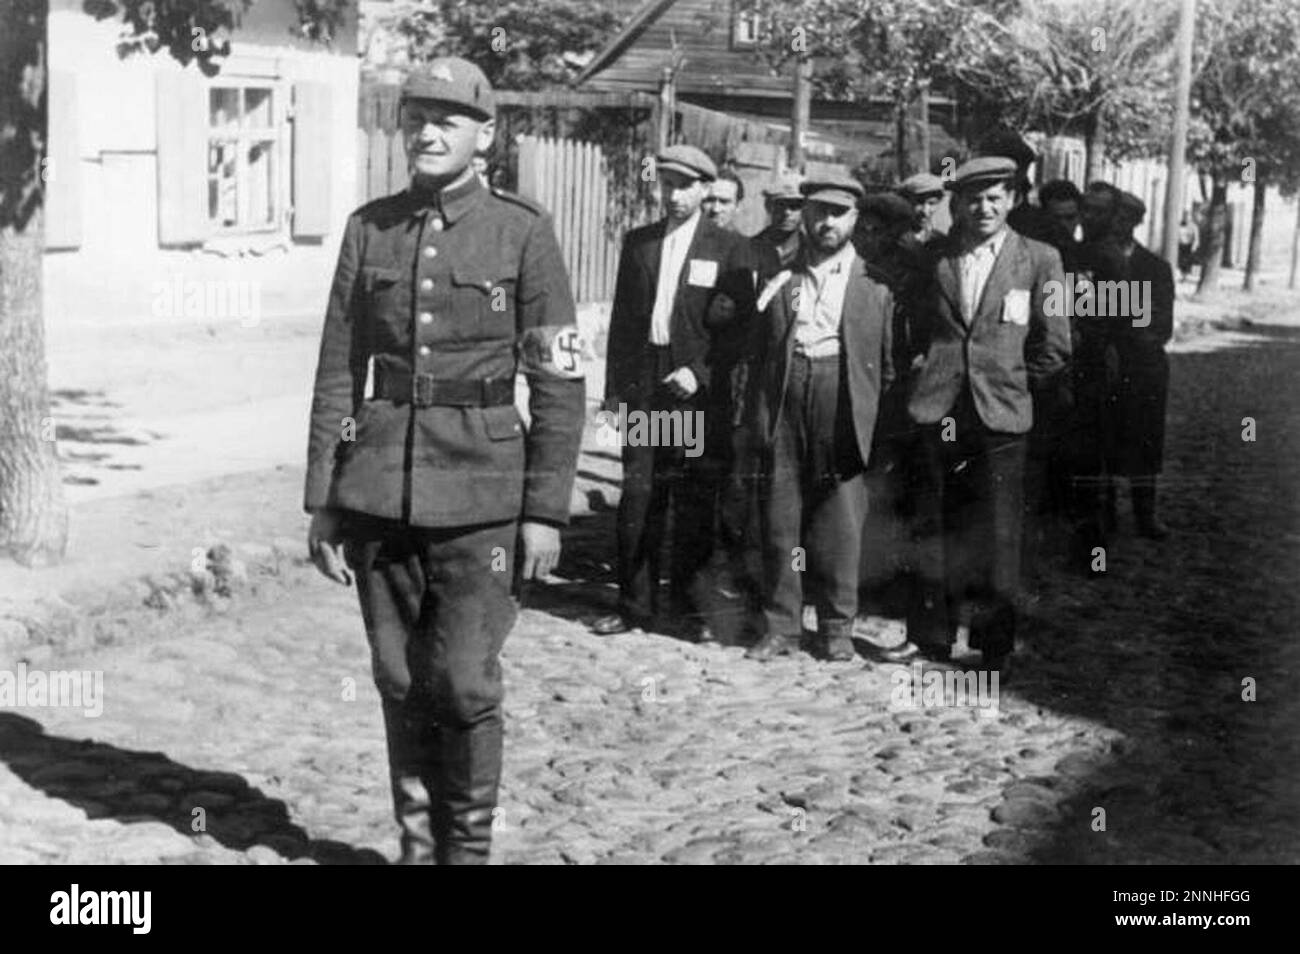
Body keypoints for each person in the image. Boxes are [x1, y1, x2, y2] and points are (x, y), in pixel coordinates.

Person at [304, 58, 586, 865]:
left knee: (461, 683)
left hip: (486, 495)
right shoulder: (370, 228)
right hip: (379, 489)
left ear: (484, 134)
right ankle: (417, 852)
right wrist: (325, 495)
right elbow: (336, 368)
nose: (426, 134)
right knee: (397, 680)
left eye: (448, 120)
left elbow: (559, 381)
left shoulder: (522, 232)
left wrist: (544, 509)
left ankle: (465, 855)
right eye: (415, 119)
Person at [889, 156, 1070, 677]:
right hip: (938, 407)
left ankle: (994, 644)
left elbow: (1055, 345)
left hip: (1001, 415)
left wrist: (1011, 384)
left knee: (997, 530)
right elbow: (913, 326)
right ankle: (929, 637)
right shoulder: (936, 258)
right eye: (973, 199)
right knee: (933, 523)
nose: (984, 208)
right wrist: (928, 370)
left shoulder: (1040, 259)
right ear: (957, 204)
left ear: (1012, 200)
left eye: (995, 198)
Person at [593, 144, 752, 640]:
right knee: (640, 496)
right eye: (666, 184)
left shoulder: (728, 247)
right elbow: (622, 325)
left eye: (684, 185)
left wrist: (700, 372)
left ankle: (688, 613)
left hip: (692, 392)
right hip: (648, 384)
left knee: (692, 500)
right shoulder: (639, 243)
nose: (674, 194)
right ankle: (633, 606)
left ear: (705, 189)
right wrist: (615, 398)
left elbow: (740, 331)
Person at [743, 173, 896, 662]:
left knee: (840, 518)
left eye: (837, 213)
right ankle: (781, 626)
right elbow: (758, 351)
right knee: (780, 514)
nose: (825, 222)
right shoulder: (780, 274)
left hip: (841, 392)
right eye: (816, 211)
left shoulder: (876, 284)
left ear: (854, 218)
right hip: (788, 390)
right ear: (803, 214)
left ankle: (835, 626)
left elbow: (889, 365)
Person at [1080, 191, 1175, 541]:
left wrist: (1127, 338)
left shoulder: (1155, 267)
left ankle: (1145, 514)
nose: (1117, 225)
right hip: (1100, 363)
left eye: (1125, 219)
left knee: (1145, 442)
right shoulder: (1087, 258)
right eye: (1112, 217)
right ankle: (1104, 516)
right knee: (1101, 442)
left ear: (1136, 223)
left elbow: (1160, 324)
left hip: (1142, 368)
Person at [751, 172, 805, 275]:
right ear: (768, 207)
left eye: (795, 206)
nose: (787, 212)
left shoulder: (809, 251)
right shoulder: (752, 247)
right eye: (781, 205)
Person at [898, 171, 947, 248]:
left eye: (932, 203)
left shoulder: (939, 241)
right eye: (919, 203)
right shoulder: (894, 241)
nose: (925, 211)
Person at [1177, 212, 1200, 280]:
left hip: (1189, 246)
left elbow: (1196, 238)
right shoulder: (1180, 225)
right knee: (1181, 261)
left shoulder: (1193, 226)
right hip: (1181, 245)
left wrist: (1194, 246)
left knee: (1187, 261)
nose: (1186, 219)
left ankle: (1185, 275)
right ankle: (1183, 274)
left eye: (1187, 217)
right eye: (1184, 217)